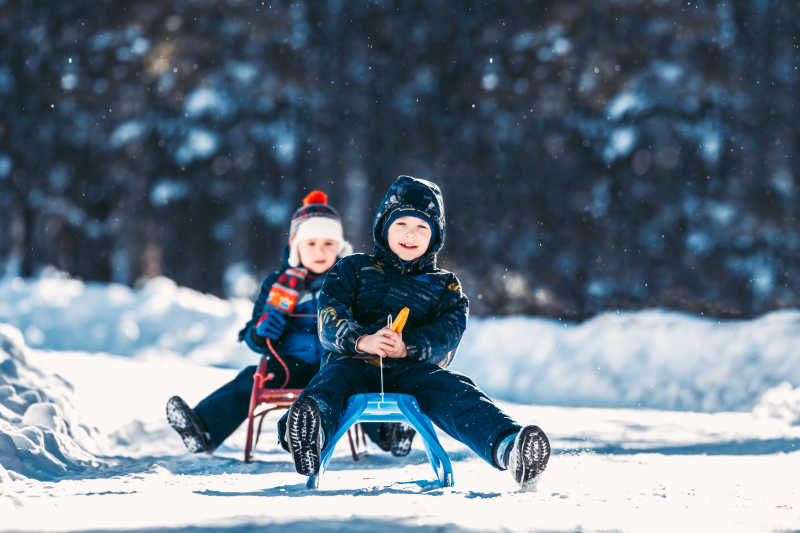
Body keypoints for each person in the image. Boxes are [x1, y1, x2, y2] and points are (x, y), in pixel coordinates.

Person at [283, 176, 550, 489]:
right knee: (328, 386)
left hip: (413, 370)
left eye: (422, 227)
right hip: (352, 363)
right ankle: (308, 434)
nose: (411, 234)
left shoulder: (444, 285)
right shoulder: (353, 269)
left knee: (455, 390)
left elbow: (449, 332)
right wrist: (361, 339)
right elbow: (330, 315)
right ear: (384, 226)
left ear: (435, 235)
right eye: (402, 224)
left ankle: (509, 447)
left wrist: (408, 346)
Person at [166, 190, 411, 455]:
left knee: (364, 382)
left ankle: (391, 433)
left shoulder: (351, 281)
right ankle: (203, 428)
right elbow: (251, 335)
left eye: (329, 244)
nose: (320, 251)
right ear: (297, 247)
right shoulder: (278, 285)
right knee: (252, 378)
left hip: (339, 364)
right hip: (289, 365)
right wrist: (261, 333)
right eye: (311, 244)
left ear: (340, 247)